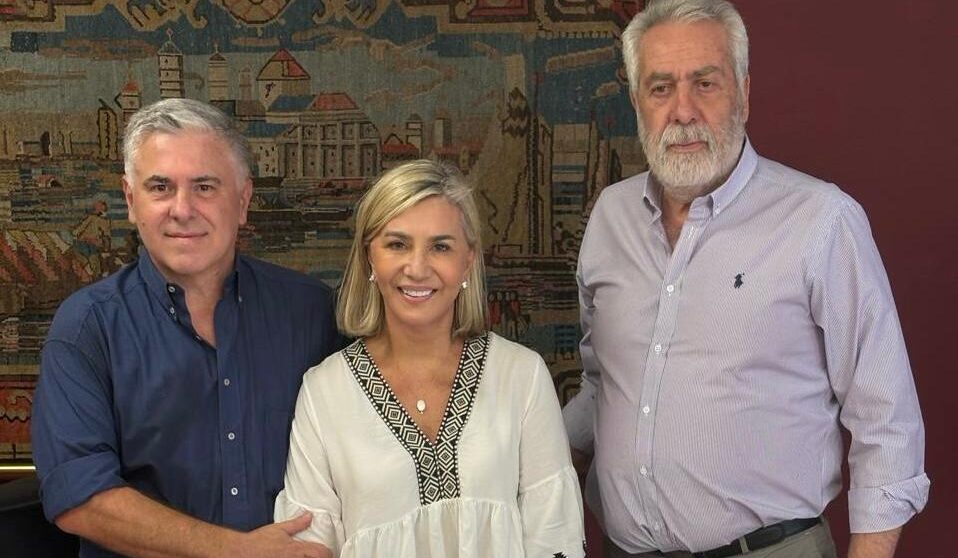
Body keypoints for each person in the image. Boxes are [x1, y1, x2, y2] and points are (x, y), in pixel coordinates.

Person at [561, 1, 929, 557]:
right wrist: (508, 449)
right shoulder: (610, 217)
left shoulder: (821, 221)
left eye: (704, 83)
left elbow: (888, 422)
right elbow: (602, 385)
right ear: (637, 101)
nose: (682, 111)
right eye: (660, 88)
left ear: (744, 92)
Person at [30, 98, 340, 558]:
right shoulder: (87, 327)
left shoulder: (312, 311)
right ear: (130, 200)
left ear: (243, 200)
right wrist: (238, 551)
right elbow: (81, 499)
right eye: (160, 187)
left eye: (205, 187)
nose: (182, 209)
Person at [273, 159, 585, 557]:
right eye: (397, 244)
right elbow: (309, 547)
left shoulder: (521, 376)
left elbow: (554, 536)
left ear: (467, 260)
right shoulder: (324, 392)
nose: (417, 268)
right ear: (370, 258)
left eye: (440, 247)